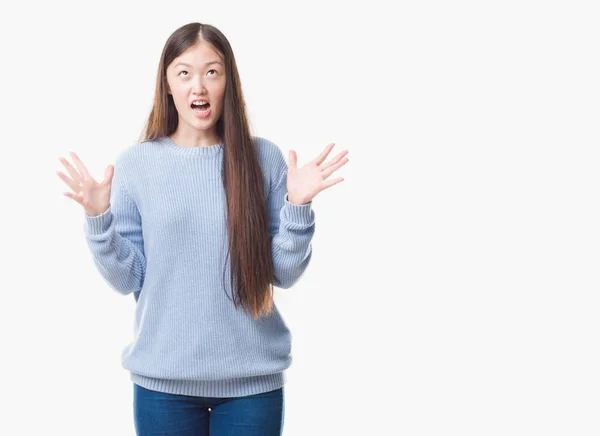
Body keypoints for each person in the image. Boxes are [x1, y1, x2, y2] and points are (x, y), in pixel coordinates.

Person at [56, 22, 349, 436]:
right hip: (163, 385)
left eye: (212, 72)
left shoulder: (262, 159)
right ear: (168, 84)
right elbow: (128, 279)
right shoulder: (138, 165)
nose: (199, 85)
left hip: (251, 386)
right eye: (185, 73)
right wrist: (98, 221)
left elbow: (283, 273)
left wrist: (298, 208)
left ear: (229, 81)